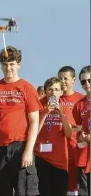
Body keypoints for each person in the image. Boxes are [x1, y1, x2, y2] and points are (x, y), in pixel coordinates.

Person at [0, 46, 41, 196]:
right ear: (1, 65)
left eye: (12, 64)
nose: (9, 68)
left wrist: (28, 150)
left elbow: (34, 121)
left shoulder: (27, 88)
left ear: (18, 65)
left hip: (20, 147)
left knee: (25, 191)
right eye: (5, 64)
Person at [34, 77, 75, 196]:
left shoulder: (66, 108)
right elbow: (34, 132)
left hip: (60, 160)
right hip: (41, 157)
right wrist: (45, 113)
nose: (53, 93)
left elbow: (68, 134)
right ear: (46, 91)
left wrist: (61, 113)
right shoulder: (39, 106)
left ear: (61, 92)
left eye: (57, 90)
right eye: (50, 89)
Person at [58, 66, 85, 195]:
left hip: (76, 150)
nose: (62, 81)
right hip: (58, 152)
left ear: (73, 80)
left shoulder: (81, 99)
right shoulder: (54, 99)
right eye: (60, 78)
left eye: (65, 78)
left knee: (75, 189)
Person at [72, 65, 90, 196]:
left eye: (89, 80)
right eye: (83, 81)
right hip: (84, 156)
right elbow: (77, 128)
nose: (87, 84)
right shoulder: (79, 105)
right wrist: (81, 135)